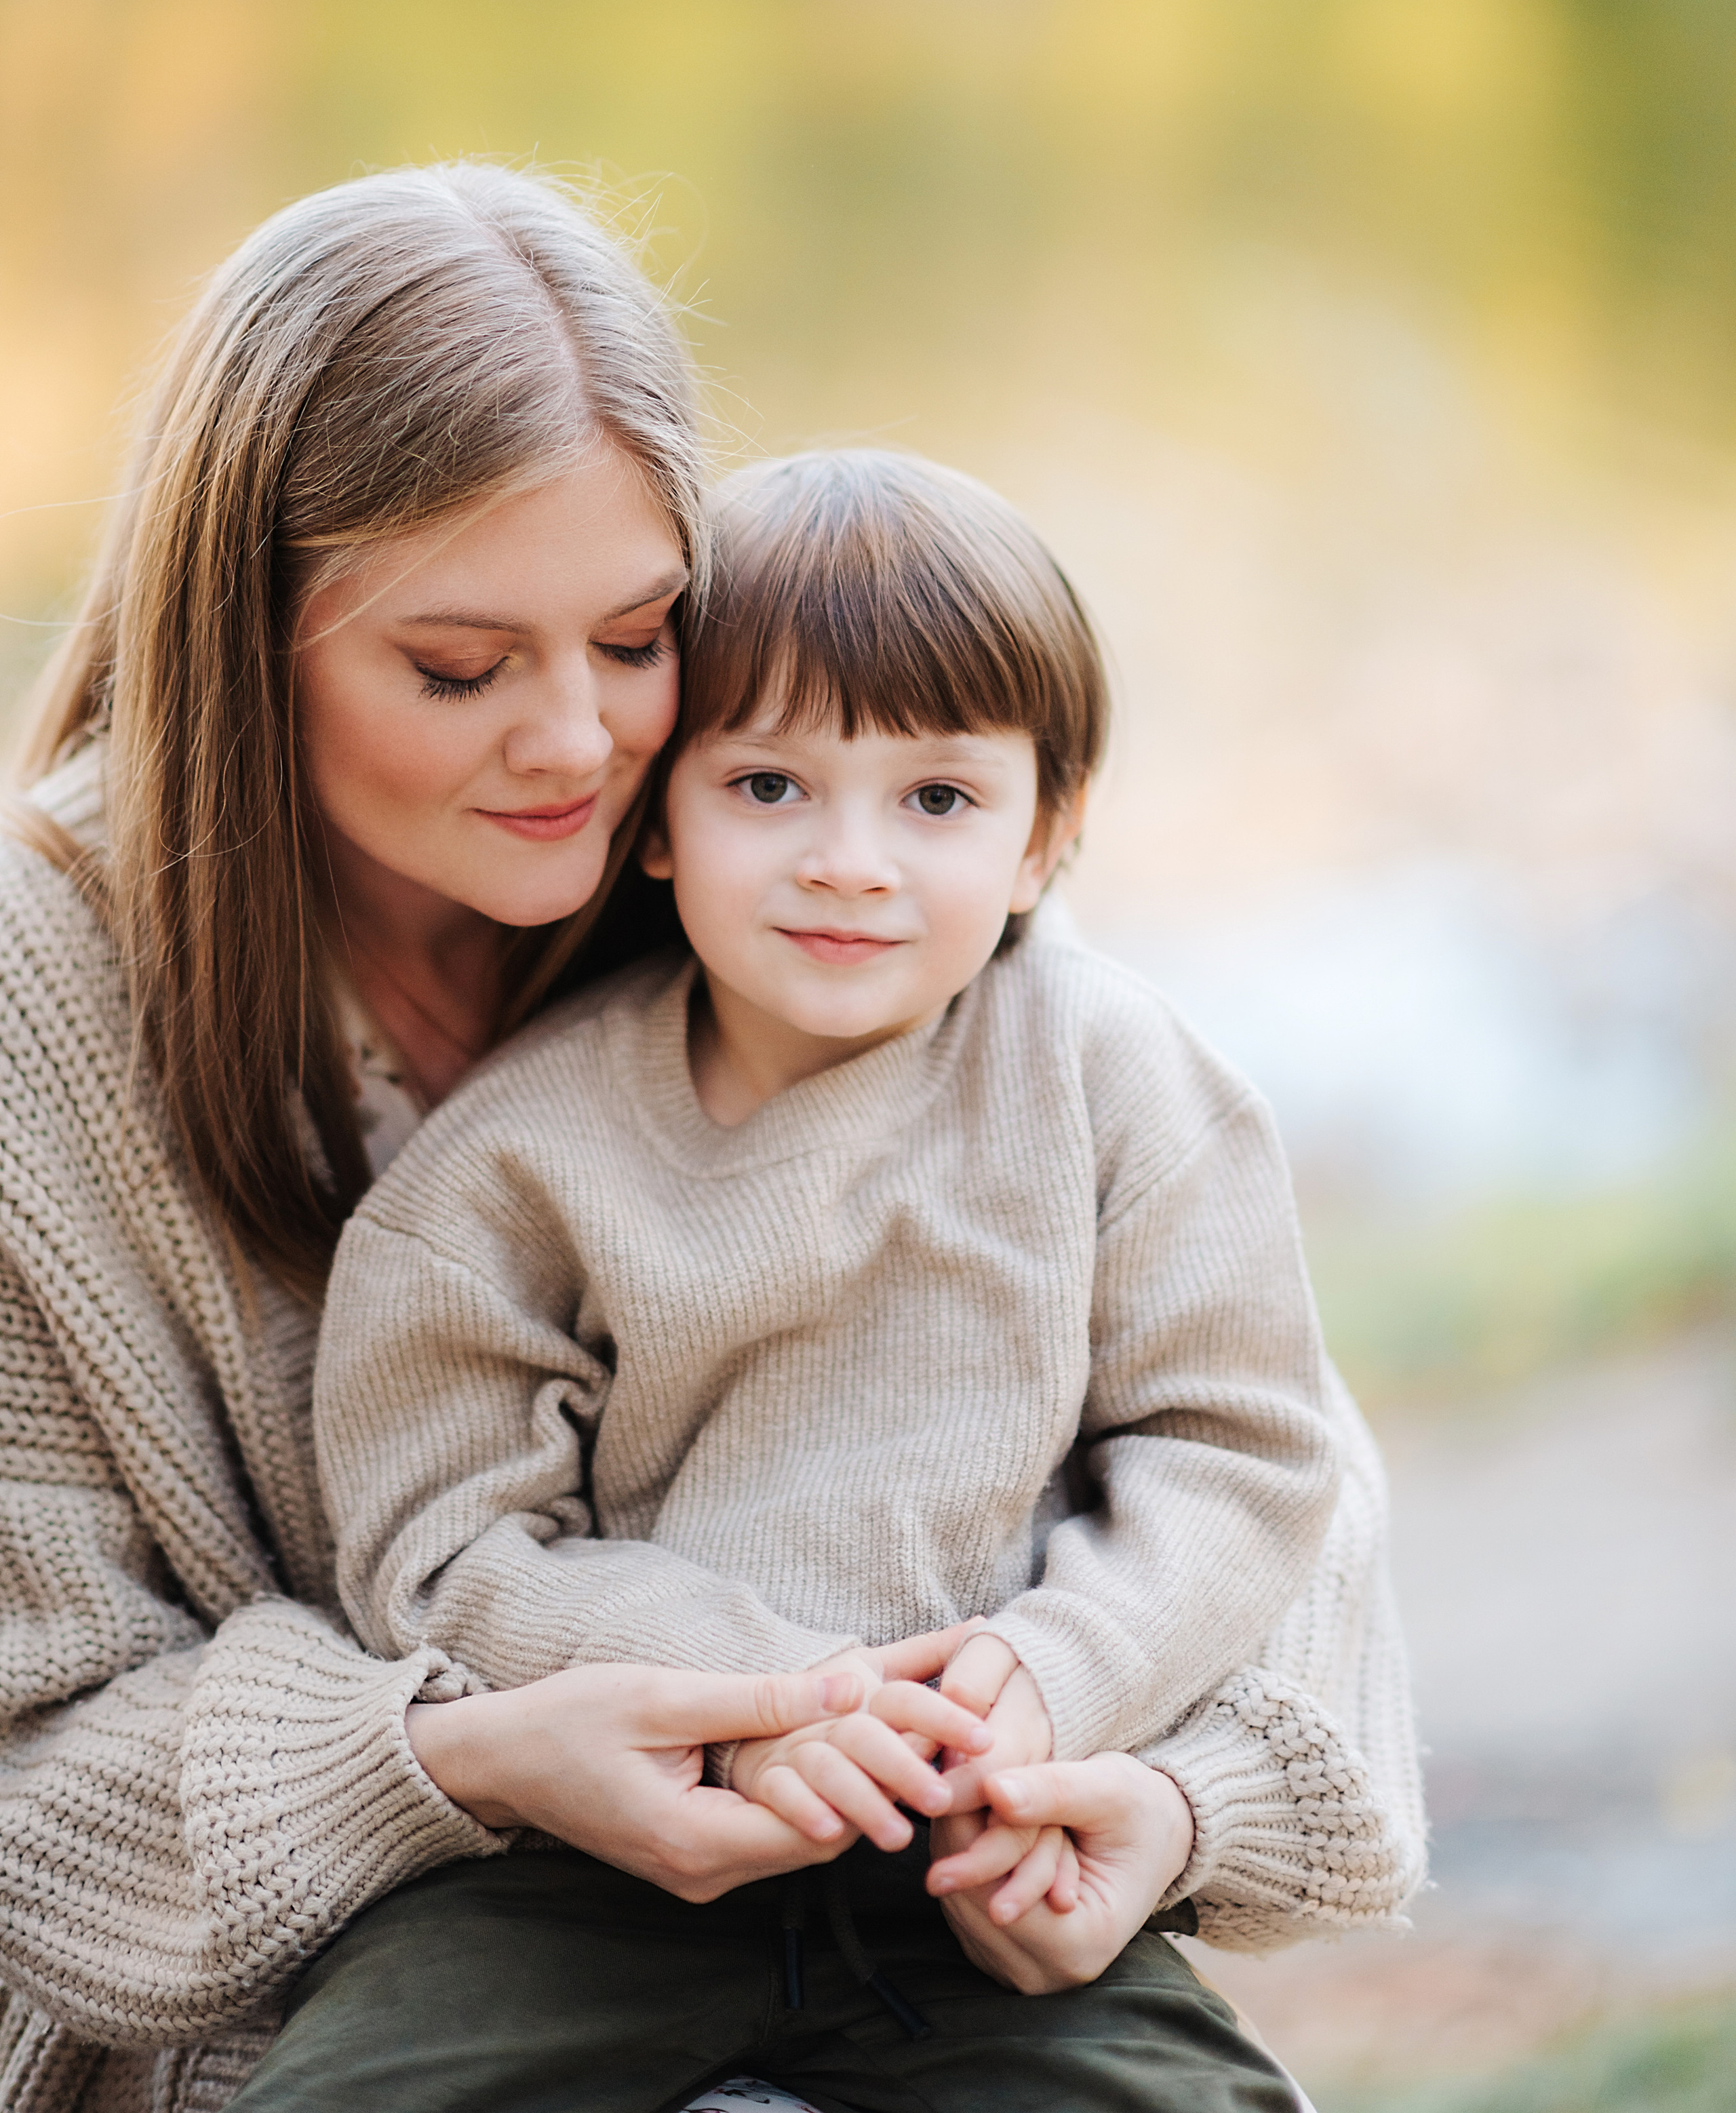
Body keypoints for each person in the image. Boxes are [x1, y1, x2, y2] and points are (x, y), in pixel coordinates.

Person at [0, 163, 1420, 2113]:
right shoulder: (38, 1010)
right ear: (245, 643)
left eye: (640, 632)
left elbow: (1257, 1441)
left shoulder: (814, 859)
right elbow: (26, 1766)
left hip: (942, 1899)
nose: (584, 741)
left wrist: (1171, 1795)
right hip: (337, 1997)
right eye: (456, 665)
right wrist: (464, 1757)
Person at [243, 448, 1397, 2112]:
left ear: (1041, 837)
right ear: (656, 821)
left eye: (935, 799)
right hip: (594, 1874)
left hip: (980, 1855)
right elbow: (443, 1539)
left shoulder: (1115, 1080)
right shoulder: (514, 1163)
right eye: (768, 786)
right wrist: (746, 1702)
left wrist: (1060, 1669)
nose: (848, 860)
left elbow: (1239, 1449)